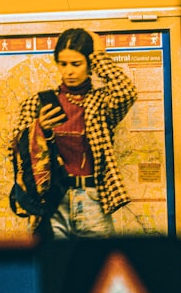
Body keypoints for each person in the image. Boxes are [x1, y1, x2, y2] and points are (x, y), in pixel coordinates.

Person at [8, 28, 138, 238]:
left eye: (76, 64)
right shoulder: (38, 103)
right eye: (63, 64)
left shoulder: (100, 102)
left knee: (97, 266)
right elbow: (15, 148)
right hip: (52, 201)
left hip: (93, 199)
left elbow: (126, 92)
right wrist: (40, 129)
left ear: (89, 64)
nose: (69, 71)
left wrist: (99, 57)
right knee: (55, 267)